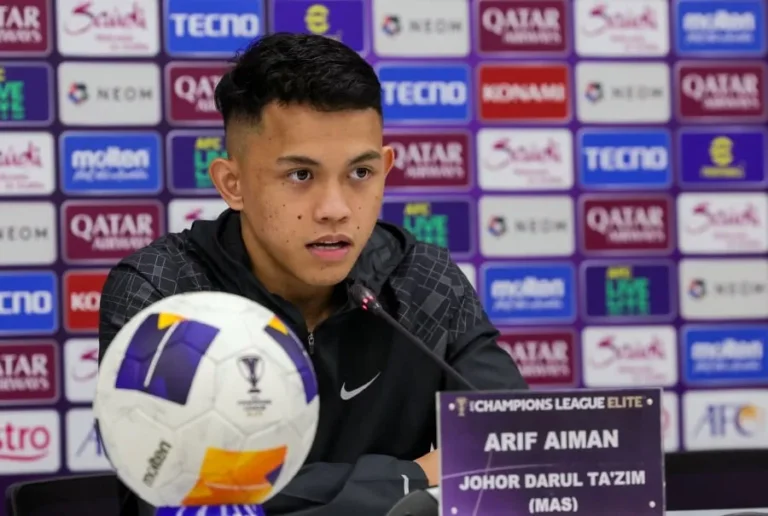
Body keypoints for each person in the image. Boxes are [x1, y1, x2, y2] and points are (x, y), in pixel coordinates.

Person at [98, 32, 527, 516]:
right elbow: (181, 493)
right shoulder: (165, 290)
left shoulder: (423, 281)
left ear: (385, 169)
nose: (335, 209)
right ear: (232, 184)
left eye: (360, 173)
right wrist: (412, 476)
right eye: (301, 175)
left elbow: (512, 448)